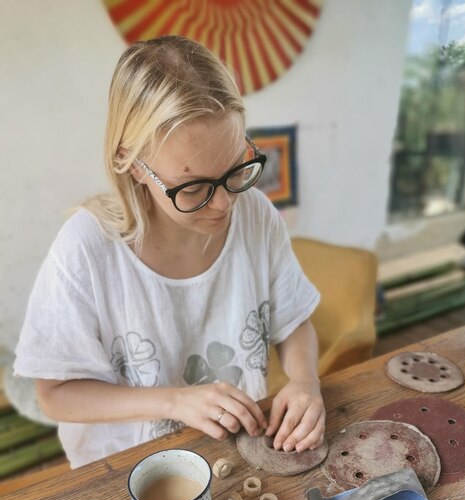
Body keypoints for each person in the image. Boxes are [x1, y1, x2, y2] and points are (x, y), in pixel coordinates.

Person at [14, 35, 325, 469]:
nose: (223, 204)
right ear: (132, 162)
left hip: (232, 458)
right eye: (193, 187)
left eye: (236, 168)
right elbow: (55, 395)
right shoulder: (86, 249)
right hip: (124, 474)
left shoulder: (254, 214)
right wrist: (176, 401)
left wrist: (305, 380)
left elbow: (294, 324)